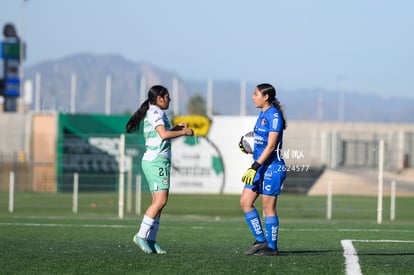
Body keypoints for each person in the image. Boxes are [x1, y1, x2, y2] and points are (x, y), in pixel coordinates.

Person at [126, 85, 194, 254]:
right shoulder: (156, 112)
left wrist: (176, 129)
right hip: (156, 161)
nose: (170, 99)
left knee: (159, 203)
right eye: (167, 96)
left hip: (158, 161)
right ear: (159, 98)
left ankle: (151, 240)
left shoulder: (156, 111)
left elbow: (162, 135)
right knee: (160, 201)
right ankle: (141, 236)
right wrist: (184, 132)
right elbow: (163, 135)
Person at [239, 83, 287, 256]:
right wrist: (248, 147)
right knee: (245, 202)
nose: (253, 97)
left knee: (268, 208)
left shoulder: (274, 116)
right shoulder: (263, 114)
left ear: (265, 97)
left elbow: (272, 145)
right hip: (259, 166)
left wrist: (255, 165)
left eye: (256, 94)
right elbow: (261, 141)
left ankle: (272, 248)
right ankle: (260, 241)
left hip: (272, 167)